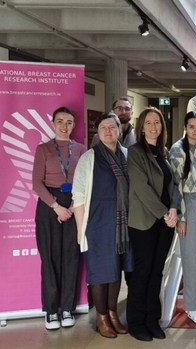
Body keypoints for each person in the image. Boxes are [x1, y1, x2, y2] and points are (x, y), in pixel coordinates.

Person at [73, 112, 134, 338]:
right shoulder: (89, 158)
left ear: (120, 130)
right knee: (100, 272)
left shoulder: (128, 154)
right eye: (103, 128)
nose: (108, 131)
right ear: (97, 133)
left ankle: (112, 313)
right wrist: (81, 230)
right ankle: (101, 316)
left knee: (115, 269)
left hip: (122, 221)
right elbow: (78, 195)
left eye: (112, 127)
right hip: (97, 221)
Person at [31, 107, 87, 330]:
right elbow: (37, 183)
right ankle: (51, 311)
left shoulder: (82, 149)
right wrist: (57, 207)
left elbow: (84, 180)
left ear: (74, 125)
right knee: (50, 259)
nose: (65, 126)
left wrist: (72, 206)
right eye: (61, 121)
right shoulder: (43, 149)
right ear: (53, 123)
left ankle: (66, 309)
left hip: (75, 202)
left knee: (72, 258)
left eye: (70, 122)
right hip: (49, 205)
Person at [126, 107, 177, 342]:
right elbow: (141, 188)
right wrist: (165, 213)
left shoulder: (163, 152)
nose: (153, 126)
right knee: (142, 273)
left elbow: (173, 185)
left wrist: (174, 209)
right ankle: (136, 322)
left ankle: (152, 320)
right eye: (149, 123)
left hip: (165, 222)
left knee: (157, 271)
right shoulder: (135, 153)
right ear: (142, 126)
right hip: (145, 222)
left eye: (157, 122)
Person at [169, 111, 196, 325]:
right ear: (185, 127)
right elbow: (175, 185)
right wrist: (181, 216)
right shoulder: (177, 150)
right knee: (191, 257)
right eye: (192, 126)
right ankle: (191, 305)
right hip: (188, 204)